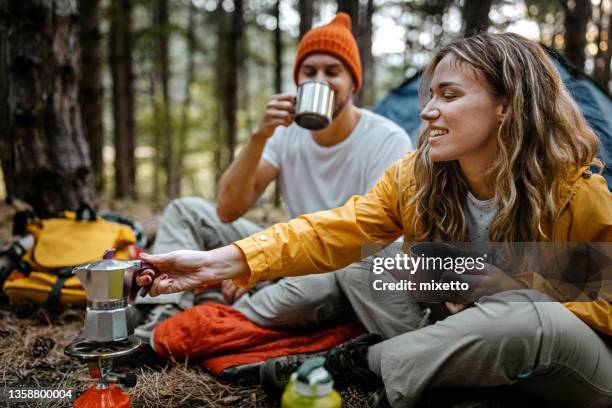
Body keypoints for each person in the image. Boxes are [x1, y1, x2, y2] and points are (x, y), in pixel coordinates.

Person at [136, 33, 612, 407]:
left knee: (531, 319)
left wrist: (517, 288)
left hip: (567, 362)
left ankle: (357, 363)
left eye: (449, 95)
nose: (428, 111)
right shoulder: (419, 178)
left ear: (506, 105)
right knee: (369, 263)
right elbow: (330, 230)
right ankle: (448, 382)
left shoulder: (575, 193)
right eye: (430, 95)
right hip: (463, 335)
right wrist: (221, 263)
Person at [133, 13, 416, 340]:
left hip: (334, 264)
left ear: (354, 82)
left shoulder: (386, 139)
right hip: (284, 247)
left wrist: (262, 269)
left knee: (318, 287)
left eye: (333, 72)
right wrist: (259, 136)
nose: (320, 80)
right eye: (309, 73)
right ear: (298, 82)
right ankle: (165, 309)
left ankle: (216, 309)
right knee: (186, 211)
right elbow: (228, 210)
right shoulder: (285, 133)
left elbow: (372, 242)